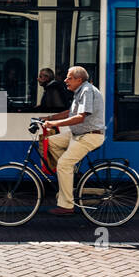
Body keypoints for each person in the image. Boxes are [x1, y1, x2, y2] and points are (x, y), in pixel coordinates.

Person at [41, 66, 105, 216]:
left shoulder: (87, 91)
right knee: (50, 143)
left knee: (63, 164)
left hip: (89, 135)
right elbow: (70, 113)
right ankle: (70, 175)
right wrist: (48, 118)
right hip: (78, 134)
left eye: (69, 78)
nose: (65, 80)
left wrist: (54, 124)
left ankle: (67, 206)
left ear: (79, 79)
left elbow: (80, 117)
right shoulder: (80, 91)